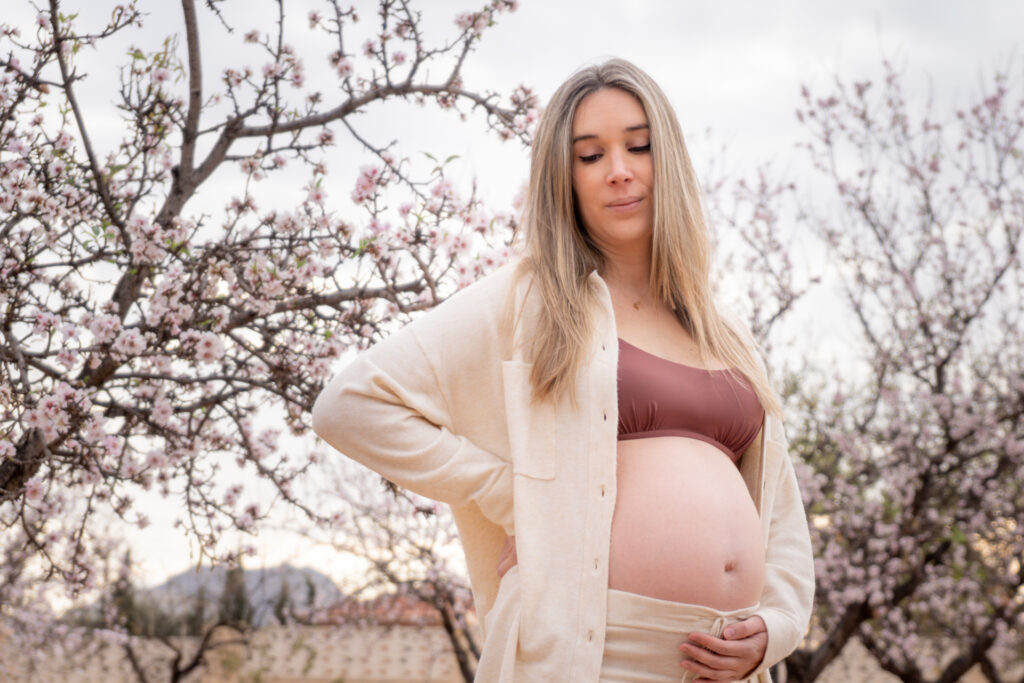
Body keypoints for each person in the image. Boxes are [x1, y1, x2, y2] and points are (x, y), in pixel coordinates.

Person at [312, 57, 814, 682]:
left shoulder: (724, 329)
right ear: (564, 176)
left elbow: (780, 512)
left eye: (639, 146)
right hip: (598, 657)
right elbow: (351, 404)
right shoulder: (533, 300)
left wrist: (776, 628)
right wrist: (522, 498)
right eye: (590, 156)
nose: (620, 171)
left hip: (728, 666)